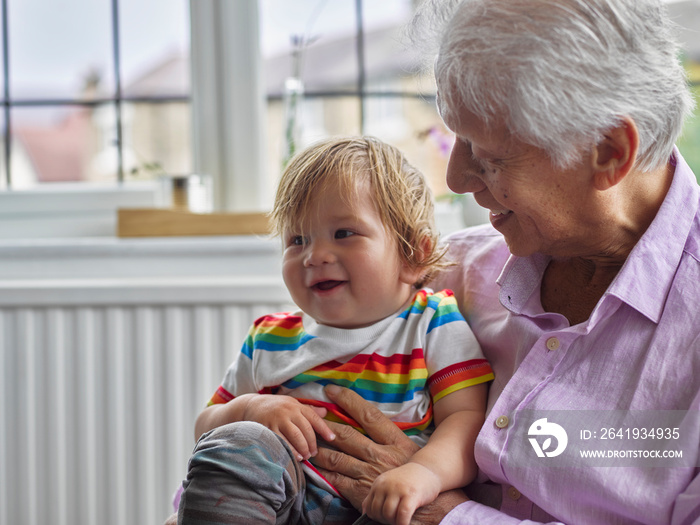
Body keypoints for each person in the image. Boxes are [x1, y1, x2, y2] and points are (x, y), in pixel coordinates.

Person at [295, 0, 699, 524]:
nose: (458, 178)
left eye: (488, 154)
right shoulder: (442, 277)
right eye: (456, 138)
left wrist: (445, 517)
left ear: (608, 150)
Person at [175, 136, 494, 525]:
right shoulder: (269, 337)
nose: (314, 256)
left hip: (378, 503)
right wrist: (249, 408)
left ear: (413, 255)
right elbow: (206, 426)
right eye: (297, 240)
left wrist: (423, 473)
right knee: (238, 442)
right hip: (276, 504)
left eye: (344, 233)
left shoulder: (432, 321)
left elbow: (466, 420)